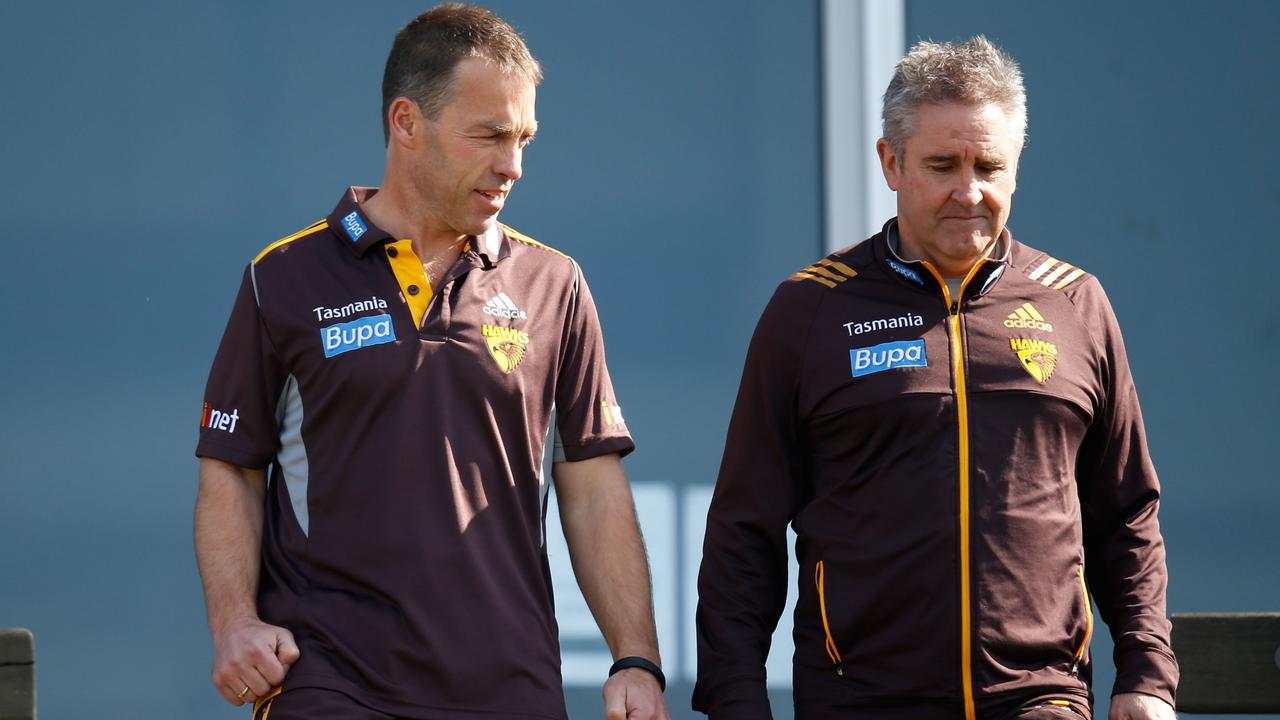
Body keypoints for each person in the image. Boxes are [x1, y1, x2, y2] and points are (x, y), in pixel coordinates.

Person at [193, 5, 670, 719]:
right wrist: (234, 623)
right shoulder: (284, 278)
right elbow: (231, 467)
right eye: (488, 135)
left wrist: (636, 659)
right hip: (333, 680)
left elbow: (593, 485)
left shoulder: (555, 283)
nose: (511, 164)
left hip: (512, 685)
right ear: (406, 122)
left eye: (523, 138)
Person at [693, 36, 1176, 720]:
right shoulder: (810, 309)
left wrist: (1147, 676)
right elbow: (746, 528)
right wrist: (735, 698)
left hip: (1041, 700)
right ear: (890, 163)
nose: (968, 191)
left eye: (989, 165)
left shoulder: (1076, 303)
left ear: (1016, 168)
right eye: (942, 165)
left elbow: (1125, 513)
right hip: (860, 702)